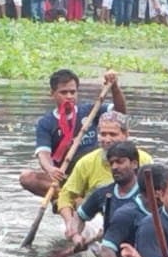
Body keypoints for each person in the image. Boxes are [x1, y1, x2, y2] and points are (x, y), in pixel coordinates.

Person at [20, 69, 126, 198]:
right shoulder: (46, 123)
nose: (69, 96)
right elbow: (43, 154)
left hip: (93, 173)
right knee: (27, 177)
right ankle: (68, 198)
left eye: (73, 92)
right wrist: (50, 169)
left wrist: (114, 87)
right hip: (67, 176)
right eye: (64, 92)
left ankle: (81, 199)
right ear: (52, 94)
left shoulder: (90, 111)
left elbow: (120, 113)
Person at [57, 111, 150, 242]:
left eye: (113, 134)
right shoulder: (87, 163)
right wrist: (70, 226)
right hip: (97, 217)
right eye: (102, 134)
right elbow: (66, 196)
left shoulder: (144, 160)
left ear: (125, 135)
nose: (107, 140)